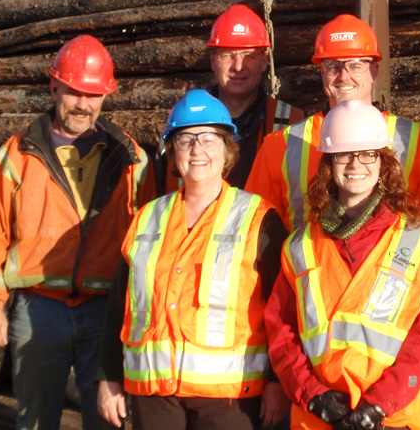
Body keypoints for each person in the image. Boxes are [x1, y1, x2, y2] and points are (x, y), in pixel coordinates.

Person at [0, 34, 156, 430]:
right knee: (35, 422)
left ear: (106, 96)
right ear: (54, 86)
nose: (83, 104)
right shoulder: (19, 154)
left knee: (107, 421)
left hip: (105, 311)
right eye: (74, 91)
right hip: (39, 309)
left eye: (93, 94)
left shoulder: (130, 157)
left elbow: (148, 244)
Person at [96, 89, 290, 430]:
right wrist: (109, 377)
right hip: (154, 395)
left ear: (227, 148)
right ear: (172, 151)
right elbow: (120, 306)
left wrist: (277, 383)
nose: (197, 150)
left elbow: (282, 308)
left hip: (230, 400)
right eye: (185, 139)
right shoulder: (146, 219)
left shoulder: (260, 218)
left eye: (209, 139)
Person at [265, 100, 420, 430]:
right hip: (319, 417)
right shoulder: (299, 247)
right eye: (344, 155)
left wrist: (380, 405)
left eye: (368, 154)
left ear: (382, 163)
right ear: (329, 165)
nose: (355, 164)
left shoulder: (414, 241)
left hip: (394, 418)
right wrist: (312, 395)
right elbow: (282, 332)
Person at [245, 13, 420, 232]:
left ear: (374, 71)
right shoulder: (279, 147)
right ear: (322, 72)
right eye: (333, 66)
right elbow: (255, 231)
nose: (344, 76)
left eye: (356, 66)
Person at [154, 4, 304, 191]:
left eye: (248, 55)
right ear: (213, 61)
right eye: (227, 55)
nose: (238, 66)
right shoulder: (180, 122)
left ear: (264, 61)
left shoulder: (293, 122)